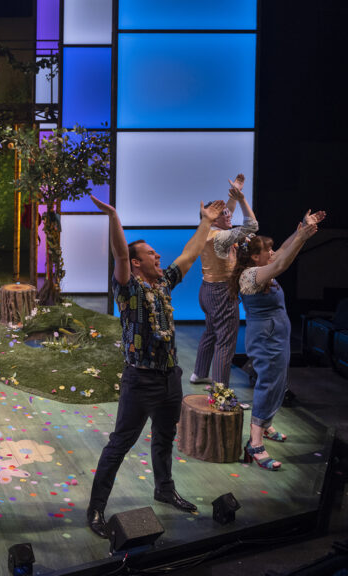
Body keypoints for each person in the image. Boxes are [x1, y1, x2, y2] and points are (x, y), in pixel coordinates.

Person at [85, 196, 227, 538]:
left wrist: (206, 221)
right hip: (140, 381)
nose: (158, 256)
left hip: (170, 378)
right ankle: (96, 509)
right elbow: (120, 254)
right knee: (119, 445)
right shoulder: (129, 290)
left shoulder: (163, 284)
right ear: (136, 263)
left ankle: (164, 488)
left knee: (165, 437)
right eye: (151, 254)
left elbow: (189, 256)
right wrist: (115, 216)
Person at [232, 210, 325, 471]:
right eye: (267, 251)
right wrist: (303, 238)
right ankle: (255, 442)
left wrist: (300, 230)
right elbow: (282, 262)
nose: (272, 253)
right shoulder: (249, 276)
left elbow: (283, 251)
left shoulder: (262, 267)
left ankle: (266, 422)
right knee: (268, 384)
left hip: (277, 336)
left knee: (279, 382)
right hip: (266, 338)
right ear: (254, 256)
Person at [191, 174, 259, 387]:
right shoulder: (221, 237)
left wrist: (234, 193)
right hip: (221, 291)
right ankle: (221, 391)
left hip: (207, 290)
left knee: (211, 332)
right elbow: (252, 226)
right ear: (212, 217)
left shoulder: (208, 231)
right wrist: (241, 198)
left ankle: (200, 373)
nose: (229, 214)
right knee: (226, 341)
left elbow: (225, 214)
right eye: (223, 213)